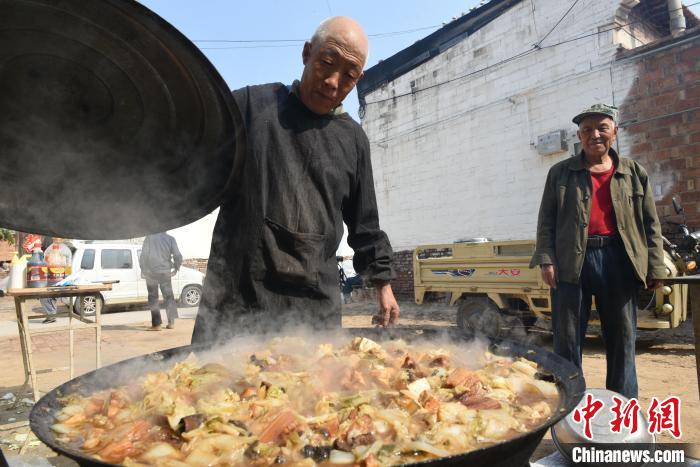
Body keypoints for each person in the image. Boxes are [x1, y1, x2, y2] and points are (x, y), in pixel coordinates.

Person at [191, 17, 400, 344]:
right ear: (307, 53)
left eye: (349, 76)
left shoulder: (353, 140)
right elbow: (188, 150)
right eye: (327, 63)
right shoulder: (249, 107)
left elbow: (365, 223)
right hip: (240, 303)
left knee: (312, 393)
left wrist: (382, 284)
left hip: (313, 310)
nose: (333, 82)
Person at [530, 104, 666, 399]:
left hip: (619, 259)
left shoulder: (633, 173)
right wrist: (546, 258)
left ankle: (623, 408)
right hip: (571, 261)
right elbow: (546, 220)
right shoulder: (561, 173)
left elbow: (650, 224)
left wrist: (655, 267)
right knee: (566, 341)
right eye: (587, 130)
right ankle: (567, 408)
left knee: (622, 338)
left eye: (602, 128)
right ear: (579, 135)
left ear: (615, 133)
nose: (595, 135)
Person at [139, 232, 183, 330]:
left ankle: (157, 325)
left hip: (151, 273)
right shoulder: (171, 239)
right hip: (165, 272)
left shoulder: (149, 238)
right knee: (169, 297)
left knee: (153, 298)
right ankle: (171, 323)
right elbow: (178, 255)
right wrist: (176, 268)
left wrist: (143, 270)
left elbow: (144, 255)